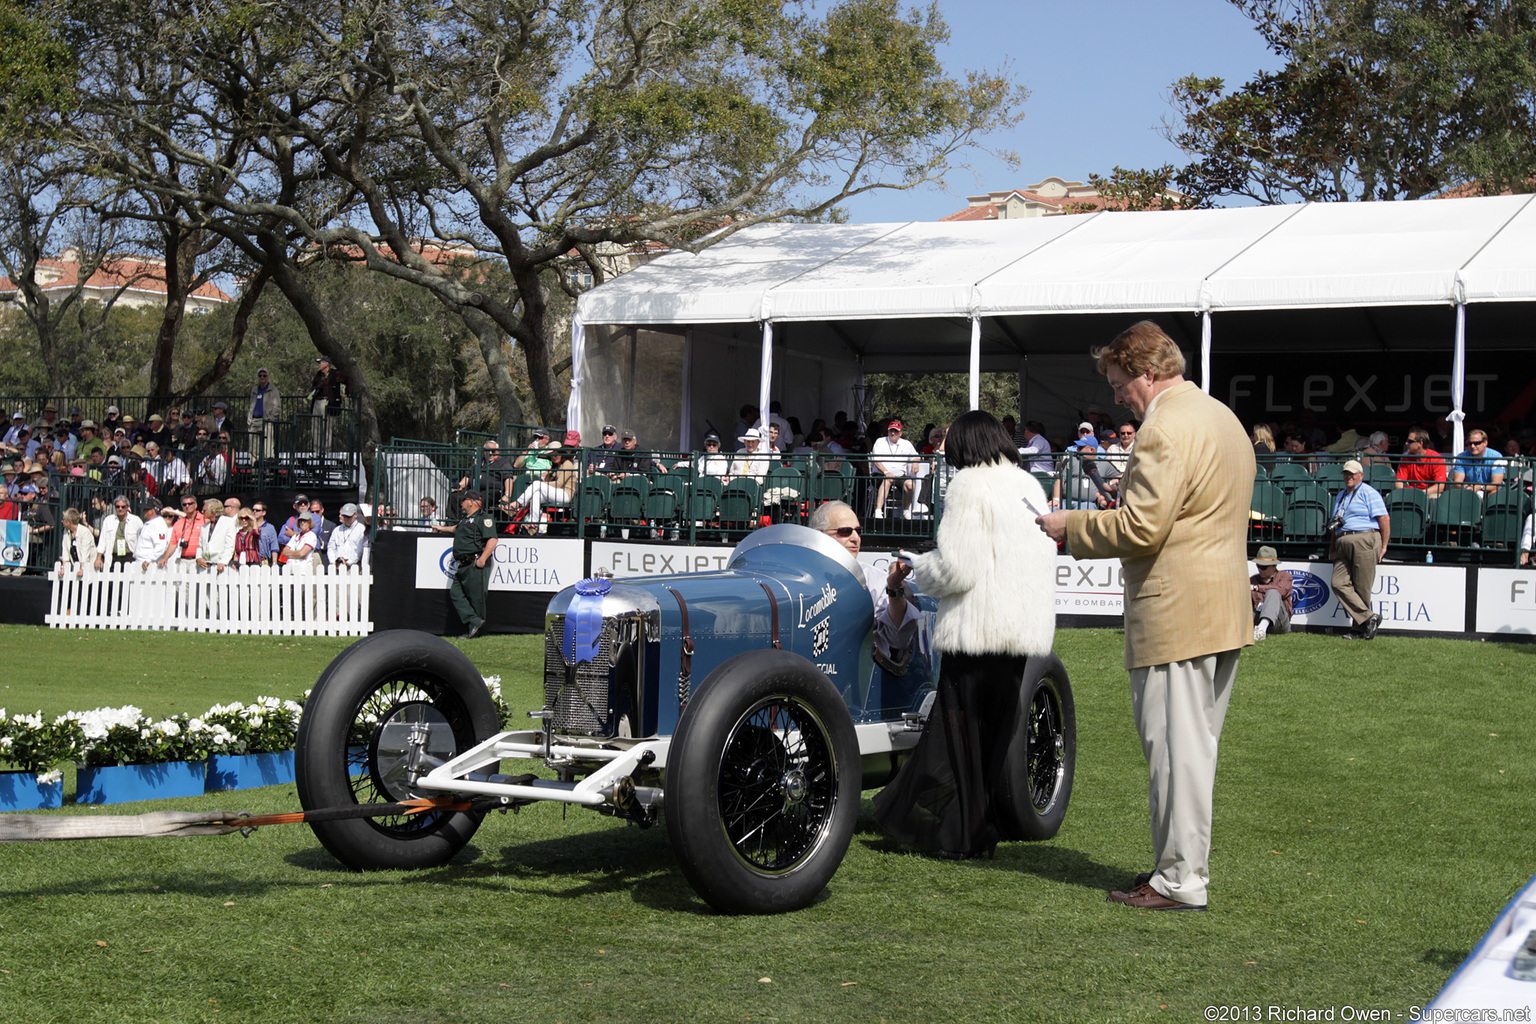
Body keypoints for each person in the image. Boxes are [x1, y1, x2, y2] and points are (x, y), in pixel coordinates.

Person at [1037, 320, 1254, 912]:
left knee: (1175, 755)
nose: (1114, 397)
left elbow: (1142, 528)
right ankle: (1178, 869)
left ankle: (1180, 880)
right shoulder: (1220, 416)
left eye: (1118, 383)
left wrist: (1070, 527)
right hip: (1221, 607)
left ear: (1146, 373)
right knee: (1193, 751)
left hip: (1177, 613)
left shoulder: (1164, 426)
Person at [871, 410, 1056, 860]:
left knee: (961, 737)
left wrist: (917, 567)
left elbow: (957, 568)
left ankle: (962, 832)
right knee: (994, 737)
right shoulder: (1029, 485)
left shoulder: (969, 486)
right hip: (1019, 632)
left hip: (976, 631)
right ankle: (977, 826)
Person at [809, 500, 923, 683]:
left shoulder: (875, 579)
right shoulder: (800, 579)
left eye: (858, 531)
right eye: (845, 531)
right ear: (820, 536)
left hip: (863, 679)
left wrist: (893, 588)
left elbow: (897, 639)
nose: (855, 538)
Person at [1330, 458, 1390, 640]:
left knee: (1362, 587)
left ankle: (1359, 629)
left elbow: (1384, 519)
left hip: (1364, 537)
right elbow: (1334, 523)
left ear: (1361, 476)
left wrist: (1384, 545)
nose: (1349, 477)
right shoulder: (1341, 496)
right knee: (1338, 583)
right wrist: (1332, 547)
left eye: (1352, 474)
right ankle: (1369, 618)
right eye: (1346, 473)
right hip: (1342, 539)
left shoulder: (1368, 492)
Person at [449, 491, 497, 638]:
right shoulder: (465, 520)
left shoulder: (484, 518)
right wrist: (440, 528)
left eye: (463, 500)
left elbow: (492, 539)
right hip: (463, 564)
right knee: (455, 593)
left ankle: (476, 630)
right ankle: (475, 622)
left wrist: (482, 559)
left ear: (471, 502)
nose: (461, 503)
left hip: (474, 562)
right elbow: (454, 529)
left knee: (476, 598)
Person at [501, 444, 580, 534]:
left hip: (566, 494)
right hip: (557, 493)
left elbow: (558, 484)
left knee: (537, 484)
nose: (554, 457)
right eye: (551, 456)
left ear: (561, 454)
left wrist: (542, 484)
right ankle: (533, 524)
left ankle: (516, 504)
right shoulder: (557, 466)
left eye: (556, 454)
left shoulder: (567, 464)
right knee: (536, 495)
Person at [870, 420, 920, 518]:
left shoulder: (906, 443)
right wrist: (886, 472)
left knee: (910, 484)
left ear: (900, 433)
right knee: (888, 480)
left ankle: (906, 510)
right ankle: (878, 511)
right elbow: (876, 461)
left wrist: (915, 462)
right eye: (891, 431)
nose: (893, 433)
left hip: (900, 476)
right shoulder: (880, 441)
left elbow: (916, 456)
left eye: (896, 431)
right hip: (881, 475)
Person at [1250, 545, 1292, 641]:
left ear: (1274, 566)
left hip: (1279, 622)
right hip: (1256, 618)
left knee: (1273, 592)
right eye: (1258, 566)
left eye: (1263, 567)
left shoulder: (1285, 576)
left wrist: (1257, 588)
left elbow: (1282, 591)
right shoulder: (1253, 579)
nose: (1260, 569)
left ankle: (1261, 629)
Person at [95, 497, 143, 572]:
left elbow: (141, 540)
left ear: (127, 507)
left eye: (123, 507)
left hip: (130, 556)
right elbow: (102, 540)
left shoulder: (136, 520)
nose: (120, 509)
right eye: (117, 506)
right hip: (113, 556)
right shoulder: (108, 520)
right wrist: (98, 558)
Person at [1452, 429, 1505, 497]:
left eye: (1476, 443)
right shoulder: (1461, 457)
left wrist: (1481, 487)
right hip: (1468, 492)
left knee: (1494, 493)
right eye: (1470, 443)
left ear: (1485, 443)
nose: (1472, 446)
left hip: (1489, 492)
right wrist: (1467, 487)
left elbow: (1497, 484)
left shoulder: (1496, 456)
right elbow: (1457, 483)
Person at [1396, 428, 1447, 496]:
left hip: (1429, 493)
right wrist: (1404, 494)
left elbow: (1440, 487)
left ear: (1420, 443)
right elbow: (1399, 481)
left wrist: (1421, 494)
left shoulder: (1436, 458)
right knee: (1390, 496)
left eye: (1410, 441)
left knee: (1435, 497)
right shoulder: (1406, 457)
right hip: (1411, 493)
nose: (1406, 443)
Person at [249, 368, 282, 455]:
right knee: (253, 448)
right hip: (254, 421)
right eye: (260, 375)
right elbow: (251, 405)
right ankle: (254, 467)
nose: (262, 377)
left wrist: (270, 418)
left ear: (267, 377)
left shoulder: (273, 390)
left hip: (266, 421)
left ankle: (267, 468)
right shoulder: (254, 389)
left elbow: (277, 407)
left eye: (264, 375)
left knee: (268, 448)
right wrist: (249, 418)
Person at [58, 508, 98, 577]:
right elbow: (65, 551)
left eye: (64, 520)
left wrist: (83, 569)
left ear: (69, 522)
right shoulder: (66, 531)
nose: (62, 521)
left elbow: (85, 553)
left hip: (90, 569)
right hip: (76, 568)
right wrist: (63, 568)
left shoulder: (85, 532)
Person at [327, 502, 368, 567]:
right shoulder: (337, 530)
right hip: (337, 564)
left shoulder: (361, 529)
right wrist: (333, 561)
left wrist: (348, 563)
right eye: (344, 516)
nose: (346, 518)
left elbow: (359, 551)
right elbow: (331, 547)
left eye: (348, 516)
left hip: (353, 565)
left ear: (355, 515)